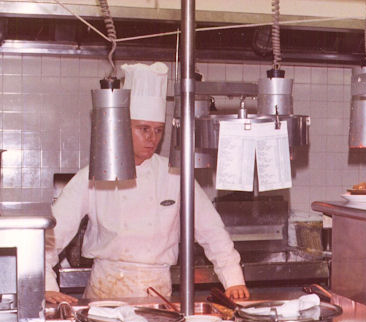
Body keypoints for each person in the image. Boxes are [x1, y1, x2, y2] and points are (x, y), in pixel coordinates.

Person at [45, 62, 250, 304]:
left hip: (158, 290)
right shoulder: (94, 174)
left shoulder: (175, 174)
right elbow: (52, 234)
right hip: (105, 290)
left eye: (158, 130)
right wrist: (47, 283)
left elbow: (211, 230)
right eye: (144, 129)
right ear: (123, 126)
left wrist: (233, 278)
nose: (152, 138)